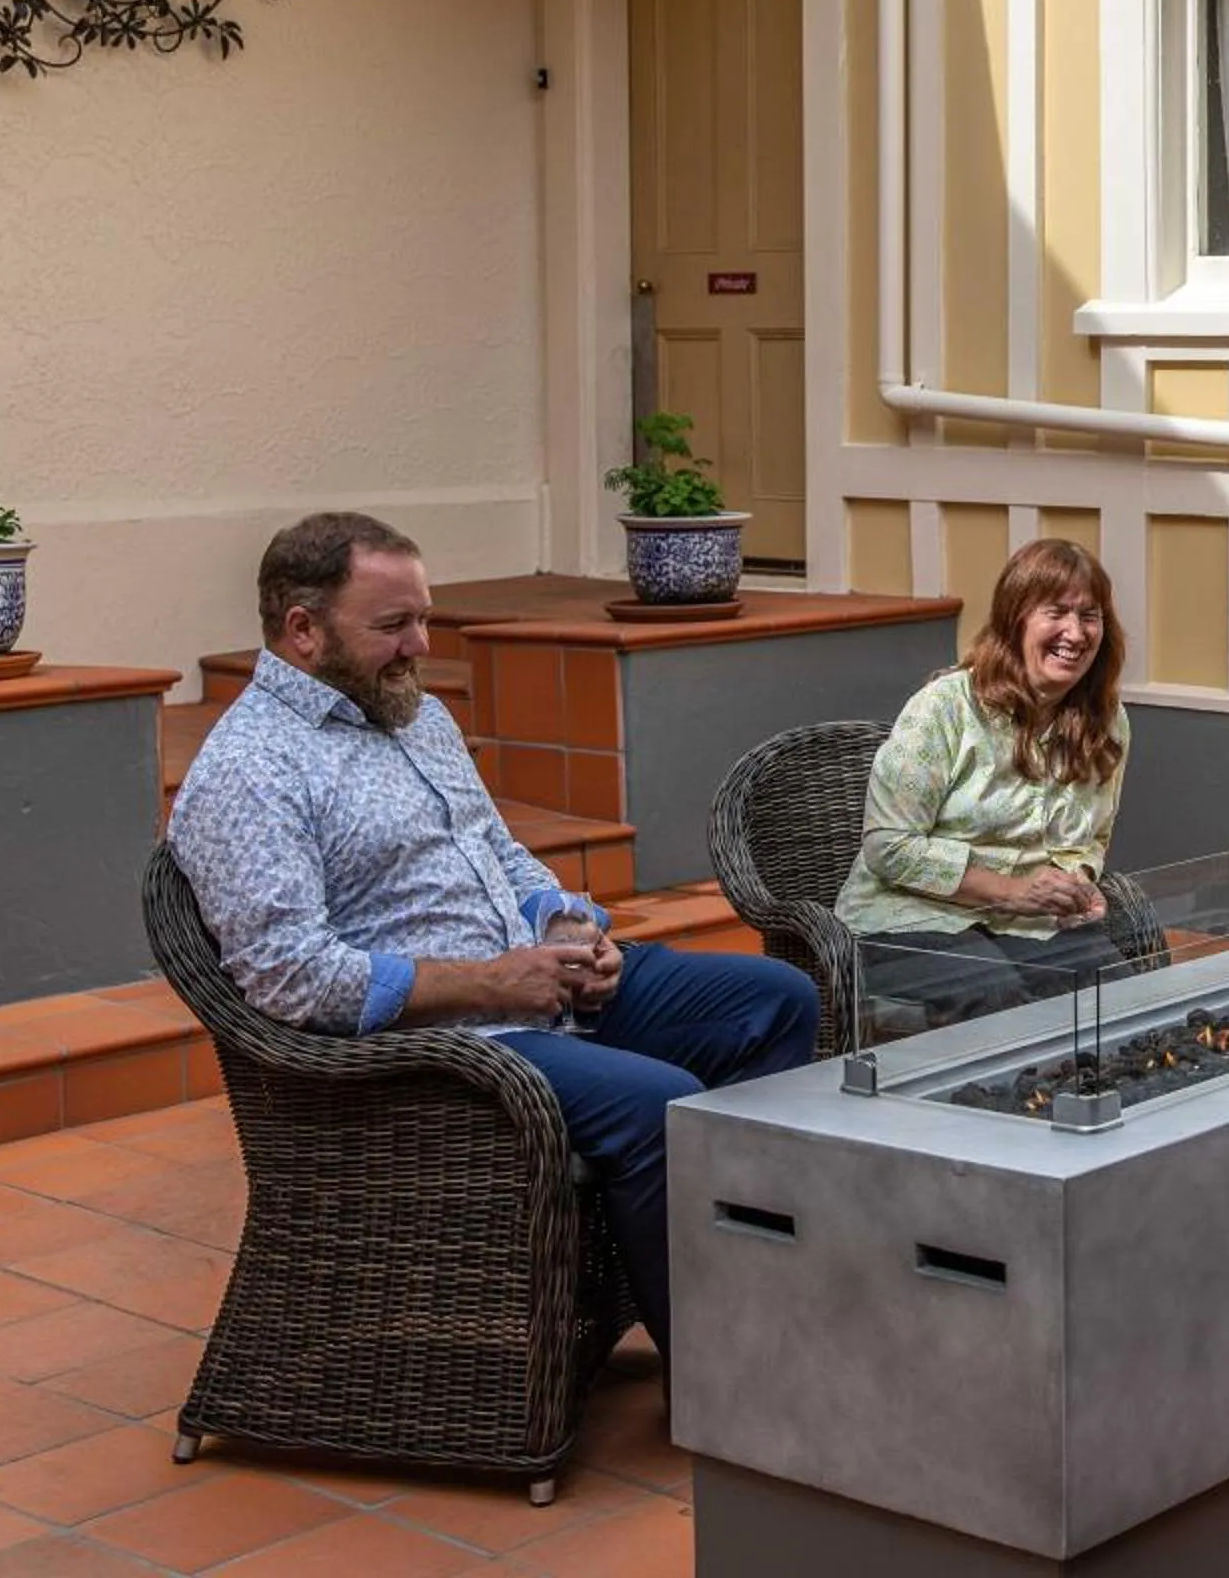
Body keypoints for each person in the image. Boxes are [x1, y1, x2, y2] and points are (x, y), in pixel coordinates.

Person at [169, 512, 817, 1362]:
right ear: (302, 630)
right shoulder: (252, 771)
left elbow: (499, 854)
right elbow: (296, 981)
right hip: (442, 1045)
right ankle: (724, 1371)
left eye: (424, 618)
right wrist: (494, 984)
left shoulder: (414, 716)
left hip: (533, 987)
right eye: (394, 626)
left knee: (775, 1002)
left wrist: (569, 927)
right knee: (655, 1103)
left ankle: (753, 1288)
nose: (421, 644)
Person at [835, 537, 1133, 1026]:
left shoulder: (1106, 721)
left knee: (1120, 997)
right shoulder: (945, 707)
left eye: (1090, 615)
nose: (1075, 634)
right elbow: (888, 846)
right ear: (1015, 618)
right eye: (1056, 612)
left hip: (1028, 924)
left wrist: (1078, 885)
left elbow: (1092, 838)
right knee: (995, 999)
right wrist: (1010, 891)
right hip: (907, 918)